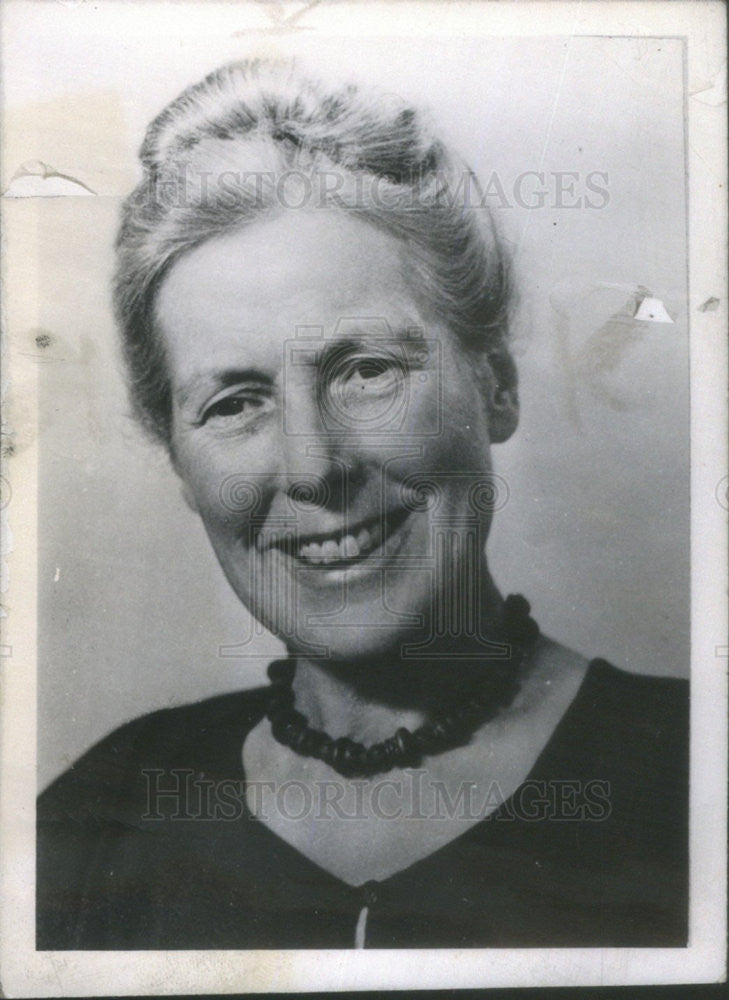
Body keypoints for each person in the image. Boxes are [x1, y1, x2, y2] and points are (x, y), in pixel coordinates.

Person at [37, 59, 688, 950]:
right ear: (180, 467)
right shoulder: (91, 824)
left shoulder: (693, 776)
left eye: (366, 371)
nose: (312, 468)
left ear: (493, 385)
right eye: (235, 403)